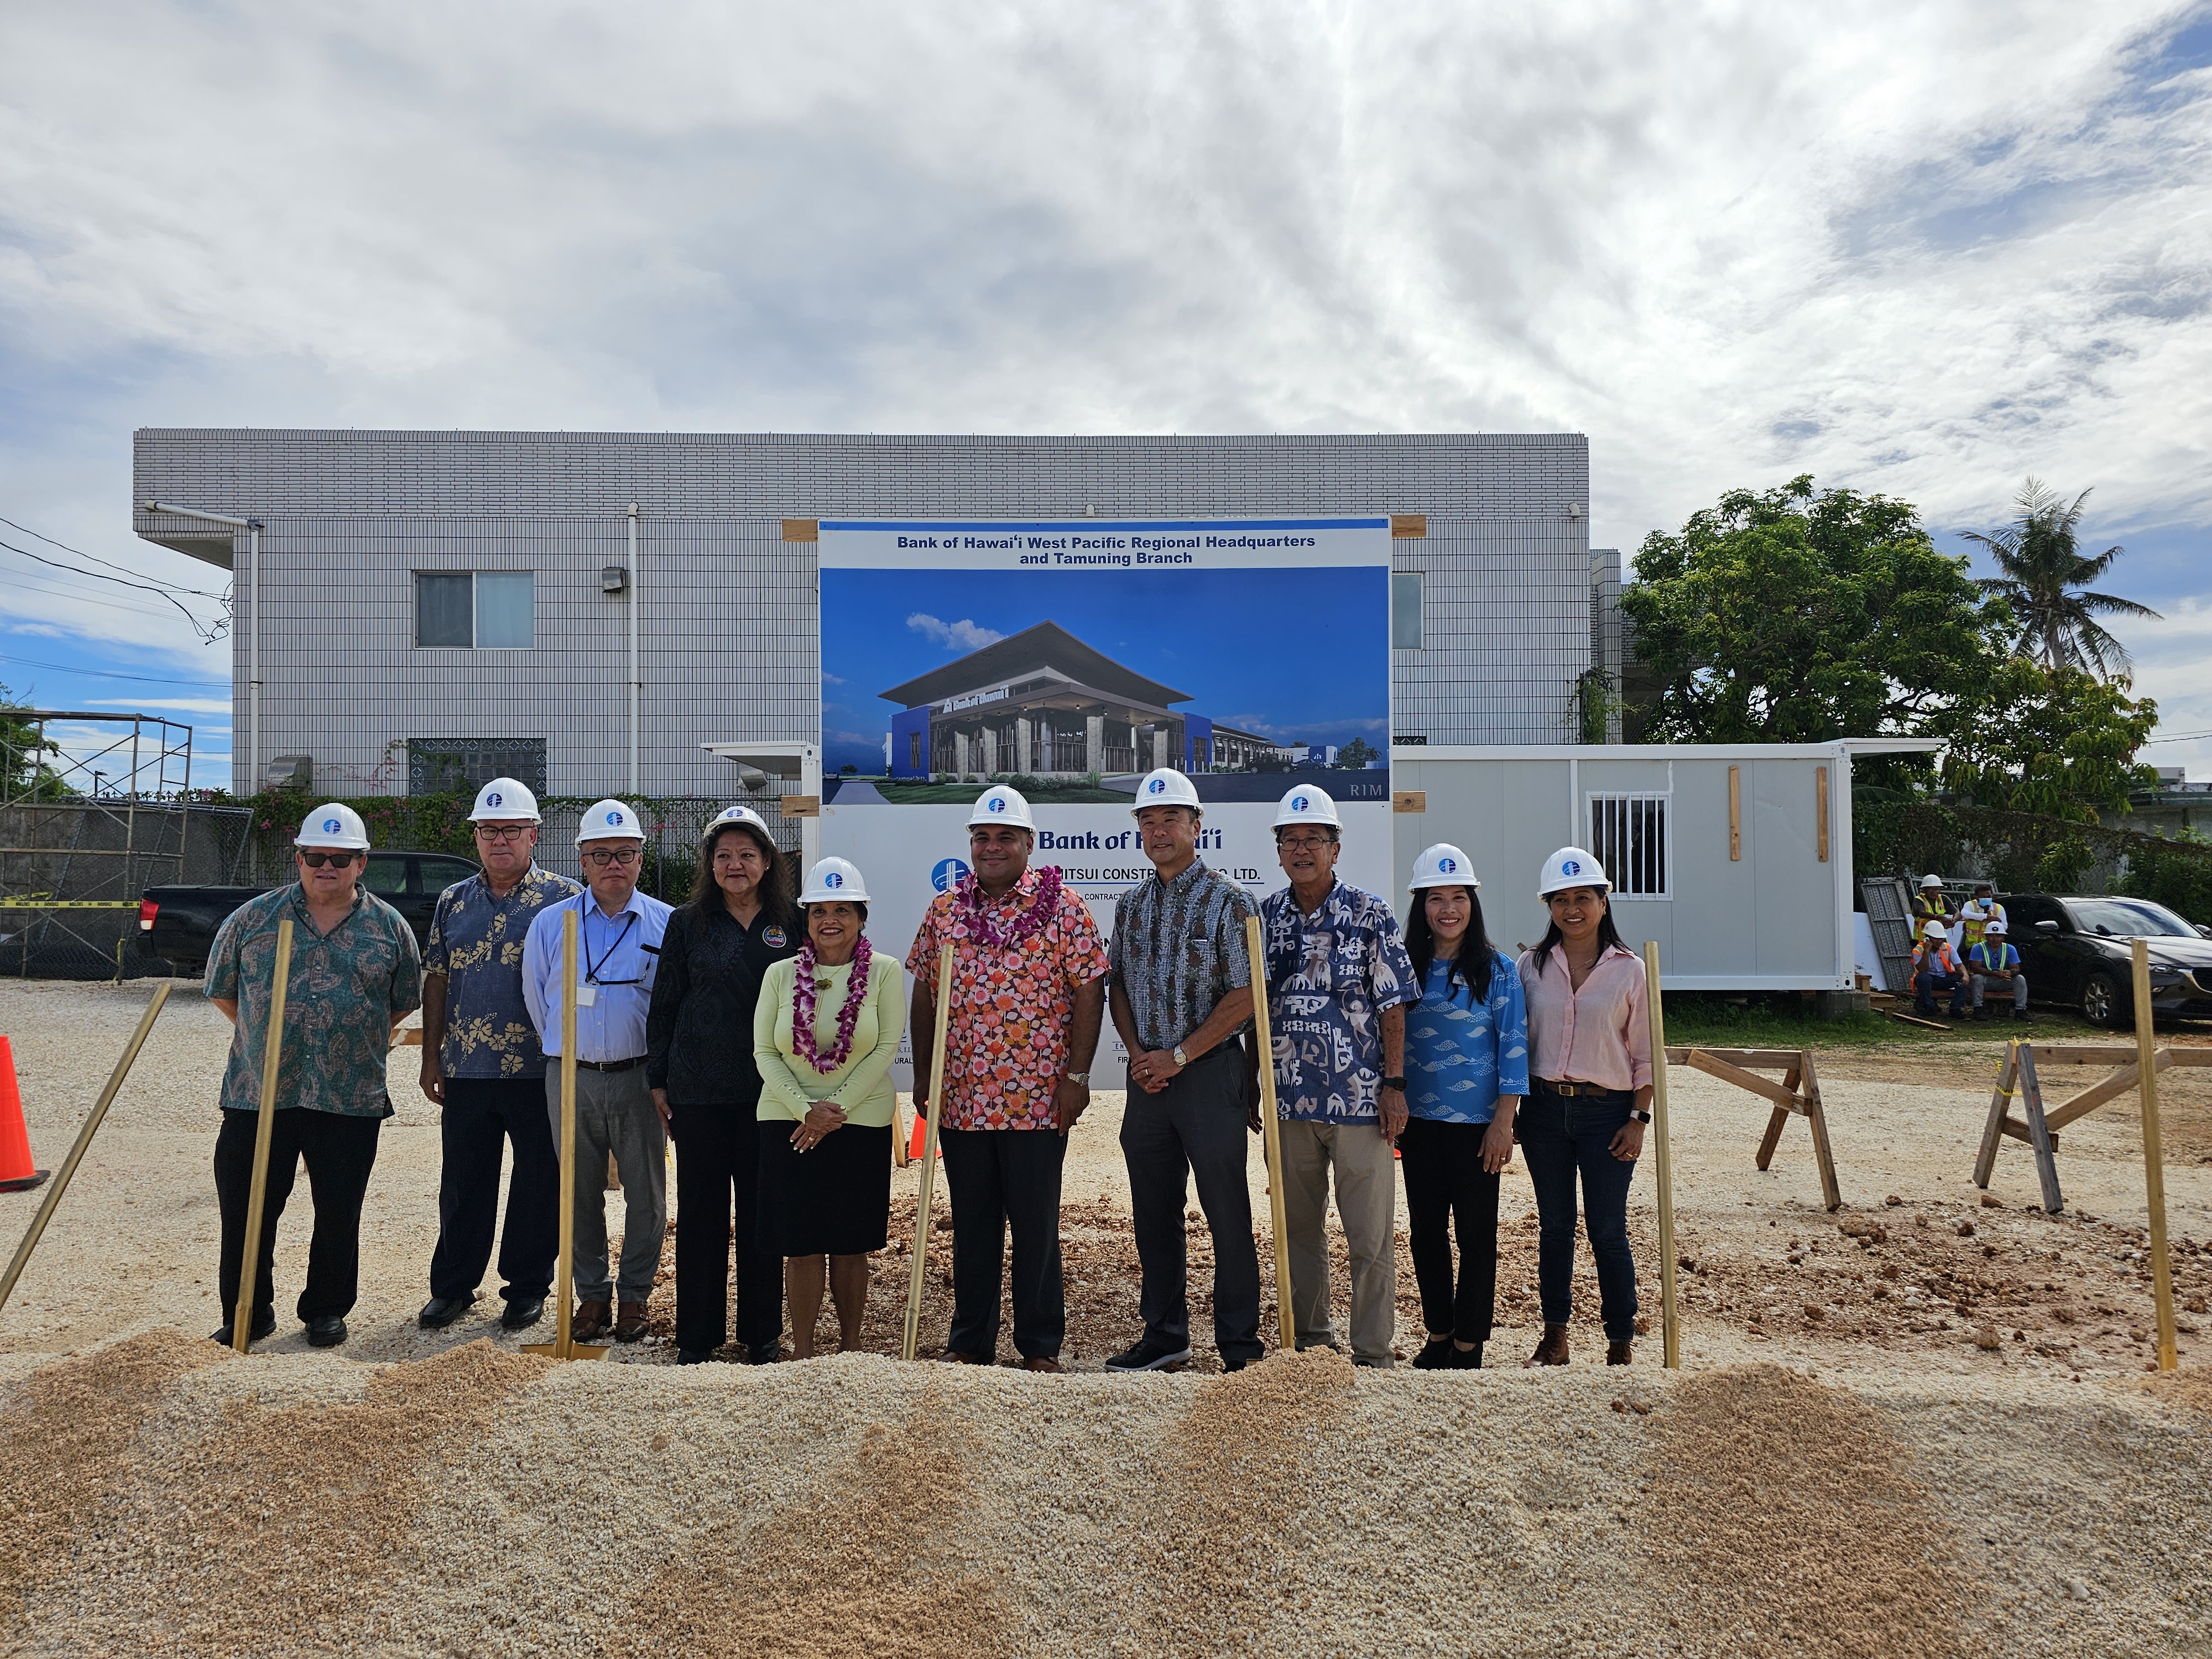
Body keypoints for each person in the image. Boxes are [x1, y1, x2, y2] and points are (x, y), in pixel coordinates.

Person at [205, 803, 422, 1348]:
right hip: (259, 1094)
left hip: (349, 1097)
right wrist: (268, 1039)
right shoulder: (252, 920)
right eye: (315, 857)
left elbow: (400, 1005)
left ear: (361, 862)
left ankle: (326, 1310)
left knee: (337, 1211)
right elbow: (226, 994)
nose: (327, 867)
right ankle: (248, 1313)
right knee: (247, 1208)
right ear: (299, 857)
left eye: (341, 858)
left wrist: (343, 1039)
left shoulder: (390, 929)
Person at [908, 784, 1107, 1373]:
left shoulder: (1065, 907)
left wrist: (1077, 1075)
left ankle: (1040, 1345)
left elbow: (1090, 990)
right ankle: (970, 1341)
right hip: (964, 1099)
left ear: (1028, 844)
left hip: (1038, 1099)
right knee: (971, 1224)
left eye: (1004, 838)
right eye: (982, 838)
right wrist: (926, 1075)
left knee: (1036, 1226)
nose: (991, 848)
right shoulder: (946, 910)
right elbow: (924, 989)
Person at [1106, 768, 1262, 1373]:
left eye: (1171, 819)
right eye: (1148, 822)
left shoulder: (1232, 902)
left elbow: (1247, 995)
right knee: (1153, 1211)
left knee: (1226, 1210)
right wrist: (1140, 1056)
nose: (1159, 830)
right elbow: (1116, 984)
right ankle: (1165, 1334)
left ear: (1197, 826)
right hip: (1148, 1081)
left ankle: (1240, 1346)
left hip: (1207, 1076)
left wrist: (1178, 1055)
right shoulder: (1130, 905)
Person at [1258, 784, 1416, 1369]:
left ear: (1335, 848)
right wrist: (1257, 1083)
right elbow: (1254, 1005)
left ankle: (1373, 1351)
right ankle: (1312, 1345)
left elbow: (1393, 1007)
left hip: (1359, 1104)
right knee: (1297, 1231)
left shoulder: (1370, 914)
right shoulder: (1264, 917)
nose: (1302, 849)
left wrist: (1394, 1087)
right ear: (1278, 851)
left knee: (1369, 1239)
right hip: (1289, 1104)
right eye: (1291, 840)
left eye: (1314, 840)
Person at [417, 779, 581, 1335]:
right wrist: (431, 1056)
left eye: (512, 829)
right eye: (489, 831)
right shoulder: (453, 901)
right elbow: (437, 977)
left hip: (539, 1068)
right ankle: (454, 1288)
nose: (500, 840)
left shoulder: (564, 899)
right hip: (467, 1069)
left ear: (534, 835)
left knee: (538, 1182)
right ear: (477, 837)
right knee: (464, 1183)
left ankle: (527, 1287)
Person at [647, 805, 800, 1365]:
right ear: (710, 864)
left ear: (767, 862)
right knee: (702, 1214)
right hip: (698, 1094)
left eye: (747, 854)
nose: (735, 865)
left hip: (772, 1093)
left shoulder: (797, 922)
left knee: (763, 1214)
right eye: (724, 855)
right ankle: (697, 1336)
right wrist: (657, 1080)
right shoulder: (686, 923)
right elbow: (663, 1005)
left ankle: (762, 1334)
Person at [521, 799, 672, 1345]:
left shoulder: (666, 923)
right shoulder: (549, 924)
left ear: (639, 859)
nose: (615, 864)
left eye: (626, 854)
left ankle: (633, 1295)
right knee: (577, 1193)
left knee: (647, 1194)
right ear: (581, 860)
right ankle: (591, 1294)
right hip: (571, 1077)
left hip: (639, 1078)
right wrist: (569, 1050)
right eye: (602, 854)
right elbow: (538, 1000)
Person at [755, 857, 907, 1358]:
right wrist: (806, 1111)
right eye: (819, 910)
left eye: (843, 909)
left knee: (848, 1241)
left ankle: (849, 1350)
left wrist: (832, 1109)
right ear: (806, 918)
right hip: (787, 1120)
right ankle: (801, 1353)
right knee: (799, 1244)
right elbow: (765, 1052)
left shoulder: (884, 973)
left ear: (862, 917)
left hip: (858, 1121)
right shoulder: (779, 975)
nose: (830, 920)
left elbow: (886, 1046)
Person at [1515, 846, 1652, 1368]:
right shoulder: (1531, 966)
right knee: (1554, 1226)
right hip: (1546, 1113)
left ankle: (1620, 1340)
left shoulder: (1631, 970)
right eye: (1560, 900)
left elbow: (1644, 1055)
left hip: (1609, 1116)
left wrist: (1638, 1121)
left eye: (1583, 898)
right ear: (1549, 906)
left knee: (1608, 1229)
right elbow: (1516, 1041)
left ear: (1603, 900)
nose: (1572, 909)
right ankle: (1555, 1338)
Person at [1400, 843, 1527, 1371]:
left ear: (1472, 903)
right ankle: (1438, 1333)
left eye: (1458, 897)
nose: (1447, 909)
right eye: (1436, 898)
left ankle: (1469, 1345)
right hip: (1420, 1127)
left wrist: (1505, 1122)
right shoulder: (1404, 967)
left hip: (1478, 1129)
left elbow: (1513, 1045)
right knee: (1426, 1234)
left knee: (1477, 1238)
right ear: (1421, 906)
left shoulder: (1497, 971)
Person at [1966, 917, 2031, 1022]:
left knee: (2020, 979)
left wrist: (2011, 972)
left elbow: (2016, 968)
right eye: (1991, 935)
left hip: (2003, 980)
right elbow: (1975, 968)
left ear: (2003, 938)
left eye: (1998, 935)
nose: (1995, 939)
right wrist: (1995, 974)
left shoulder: (2010, 949)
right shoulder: (1978, 948)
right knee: (1977, 978)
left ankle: (2021, 1010)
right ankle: (1978, 1008)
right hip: (1986, 980)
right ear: (1986, 937)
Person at [1910, 919, 1969, 1018]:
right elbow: (1923, 970)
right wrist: (1926, 951)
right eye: (1936, 938)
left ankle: (1955, 1009)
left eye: (1941, 938)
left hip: (1944, 978)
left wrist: (1965, 975)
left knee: (1962, 979)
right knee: (1922, 978)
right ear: (1928, 939)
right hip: (1929, 980)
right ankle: (1929, 1007)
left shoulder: (1948, 947)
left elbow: (1959, 966)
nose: (1939, 941)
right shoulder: (1918, 949)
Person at [1959, 882, 2007, 957]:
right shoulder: (1971, 905)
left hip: (1990, 945)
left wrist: (1994, 923)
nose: (1986, 899)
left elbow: (2004, 926)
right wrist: (1986, 917)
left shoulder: (1998, 908)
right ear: (1976, 897)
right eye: (1983, 897)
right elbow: (1964, 913)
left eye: (1989, 896)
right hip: (1971, 945)